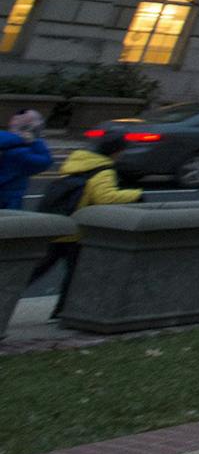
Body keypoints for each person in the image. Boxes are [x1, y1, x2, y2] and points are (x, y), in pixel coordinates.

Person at [30, 129, 142, 307]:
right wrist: (136, 194)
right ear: (117, 151)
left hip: (58, 222)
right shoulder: (104, 170)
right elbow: (106, 198)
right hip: (77, 229)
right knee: (76, 274)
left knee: (39, 267)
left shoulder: (78, 161)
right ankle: (63, 310)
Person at [0, 109, 54, 208]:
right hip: (8, 198)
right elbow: (44, 162)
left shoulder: (5, 141)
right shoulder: (20, 152)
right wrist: (36, 141)